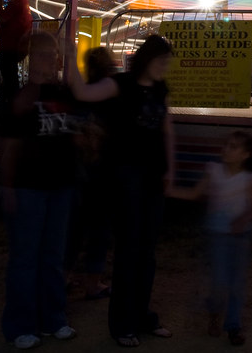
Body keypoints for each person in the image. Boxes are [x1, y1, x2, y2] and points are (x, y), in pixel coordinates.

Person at [67, 34, 176, 348]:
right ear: (148, 59)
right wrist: (70, 57)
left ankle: (142, 317)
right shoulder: (121, 85)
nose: (165, 67)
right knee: (129, 250)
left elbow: (166, 127)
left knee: (147, 252)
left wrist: (170, 168)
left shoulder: (159, 89)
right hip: (127, 178)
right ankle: (122, 324)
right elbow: (82, 92)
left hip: (153, 178)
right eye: (162, 61)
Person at [0, 32, 79, 349]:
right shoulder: (21, 97)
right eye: (46, 54)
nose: (52, 59)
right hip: (30, 186)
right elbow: (10, 145)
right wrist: (7, 184)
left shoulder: (63, 93)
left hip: (60, 184)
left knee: (53, 256)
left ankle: (52, 318)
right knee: (26, 257)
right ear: (32, 57)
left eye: (55, 54)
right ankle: (21, 324)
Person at [168, 131, 252, 346]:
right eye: (226, 144)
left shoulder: (250, 178)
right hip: (218, 235)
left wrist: (243, 218)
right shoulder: (214, 171)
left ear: (245, 155)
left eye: (233, 147)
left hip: (242, 235)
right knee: (219, 282)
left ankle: (233, 326)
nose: (226, 149)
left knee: (237, 283)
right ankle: (214, 313)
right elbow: (194, 194)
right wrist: (169, 190)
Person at [64, 46, 116, 300]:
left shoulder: (78, 95)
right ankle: (93, 282)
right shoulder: (111, 94)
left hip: (80, 170)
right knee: (99, 230)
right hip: (102, 172)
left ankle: (65, 275)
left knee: (74, 229)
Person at [0, 0, 33, 119]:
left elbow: (2, 17)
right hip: (17, 45)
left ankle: (11, 110)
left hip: (9, 45)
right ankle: (7, 108)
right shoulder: (25, 2)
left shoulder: (16, 2)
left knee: (9, 79)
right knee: (10, 78)